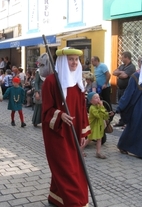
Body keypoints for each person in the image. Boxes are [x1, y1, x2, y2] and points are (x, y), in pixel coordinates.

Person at [41, 48, 91, 206]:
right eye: (71, 59)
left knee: (72, 168)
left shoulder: (78, 83)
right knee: (67, 169)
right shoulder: (51, 82)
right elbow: (46, 112)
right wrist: (59, 114)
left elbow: (82, 110)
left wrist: (84, 132)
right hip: (58, 134)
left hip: (74, 133)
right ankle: (75, 202)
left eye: (77, 59)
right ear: (63, 61)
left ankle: (56, 197)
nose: (74, 62)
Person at [81, 92, 113, 159]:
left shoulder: (99, 106)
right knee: (89, 139)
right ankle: (80, 150)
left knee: (99, 139)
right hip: (93, 126)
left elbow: (103, 114)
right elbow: (98, 115)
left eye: (98, 97)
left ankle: (98, 152)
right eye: (96, 98)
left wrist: (108, 114)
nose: (98, 99)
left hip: (99, 126)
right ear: (91, 101)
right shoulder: (92, 108)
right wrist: (101, 107)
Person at [113, 51, 136, 127]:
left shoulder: (131, 67)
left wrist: (119, 73)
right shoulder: (122, 66)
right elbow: (114, 72)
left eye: (122, 57)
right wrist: (121, 72)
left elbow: (124, 76)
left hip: (126, 90)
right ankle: (122, 121)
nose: (121, 59)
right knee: (121, 104)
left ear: (127, 57)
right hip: (120, 89)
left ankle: (127, 122)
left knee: (126, 106)